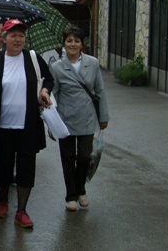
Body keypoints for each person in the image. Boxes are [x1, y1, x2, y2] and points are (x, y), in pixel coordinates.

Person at [0, 18, 54, 229]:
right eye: (13, 35)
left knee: (26, 168)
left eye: (21, 35)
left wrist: (44, 91)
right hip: (2, 126)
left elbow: (49, 79)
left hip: (27, 126)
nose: (18, 39)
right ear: (4, 38)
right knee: (3, 167)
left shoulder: (33, 59)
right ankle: (3, 201)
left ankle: (22, 210)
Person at [49, 25, 109, 211]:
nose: (73, 44)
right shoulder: (57, 67)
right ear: (64, 44)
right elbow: (52, 96)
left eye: (76, 41)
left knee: (84, 156)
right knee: (67, 159)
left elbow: (99, 91)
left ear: (82, 44)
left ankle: (81, 188)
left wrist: (103, 116)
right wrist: (51, 123)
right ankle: (71, 195)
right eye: (69, 41)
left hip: (87, 116)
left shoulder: (93, 63)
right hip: (65, 118)